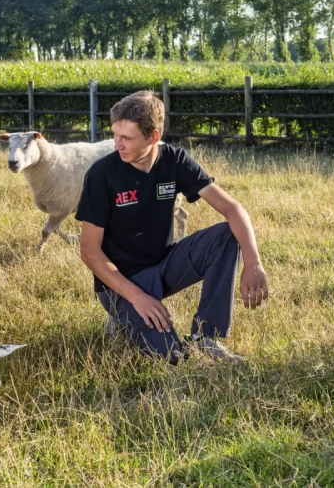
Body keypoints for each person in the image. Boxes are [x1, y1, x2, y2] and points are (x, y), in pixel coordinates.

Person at [76, 91, 268, 365]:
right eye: (116, 135)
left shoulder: (174, 161)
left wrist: (253, 262)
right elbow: (89, 252)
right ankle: (123, 317)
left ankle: (204, 336)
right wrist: (138, 297)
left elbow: (233, 209)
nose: (117, 144)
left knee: (227, 234)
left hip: (164, 265)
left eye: (127, 138)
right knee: (172, 357)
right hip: (121, 284)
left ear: (153, 136)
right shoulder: (101, 174)